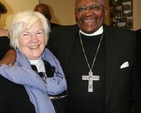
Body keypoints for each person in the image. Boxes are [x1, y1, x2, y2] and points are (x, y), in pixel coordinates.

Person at [1, 0, 141, 113]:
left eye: (94, 7)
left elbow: (137, 91)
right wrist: (11, 50)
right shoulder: (60, 37)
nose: (88, 13)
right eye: (81, 8)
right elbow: (28, 41)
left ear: (105, 12)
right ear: (75, 13)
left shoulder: (127, 39)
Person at [0, 10, 67, 113]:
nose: (34, 39)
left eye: (39, 33)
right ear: (16, 39)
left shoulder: (57, 68)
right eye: (26, 34)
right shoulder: (6, 76)